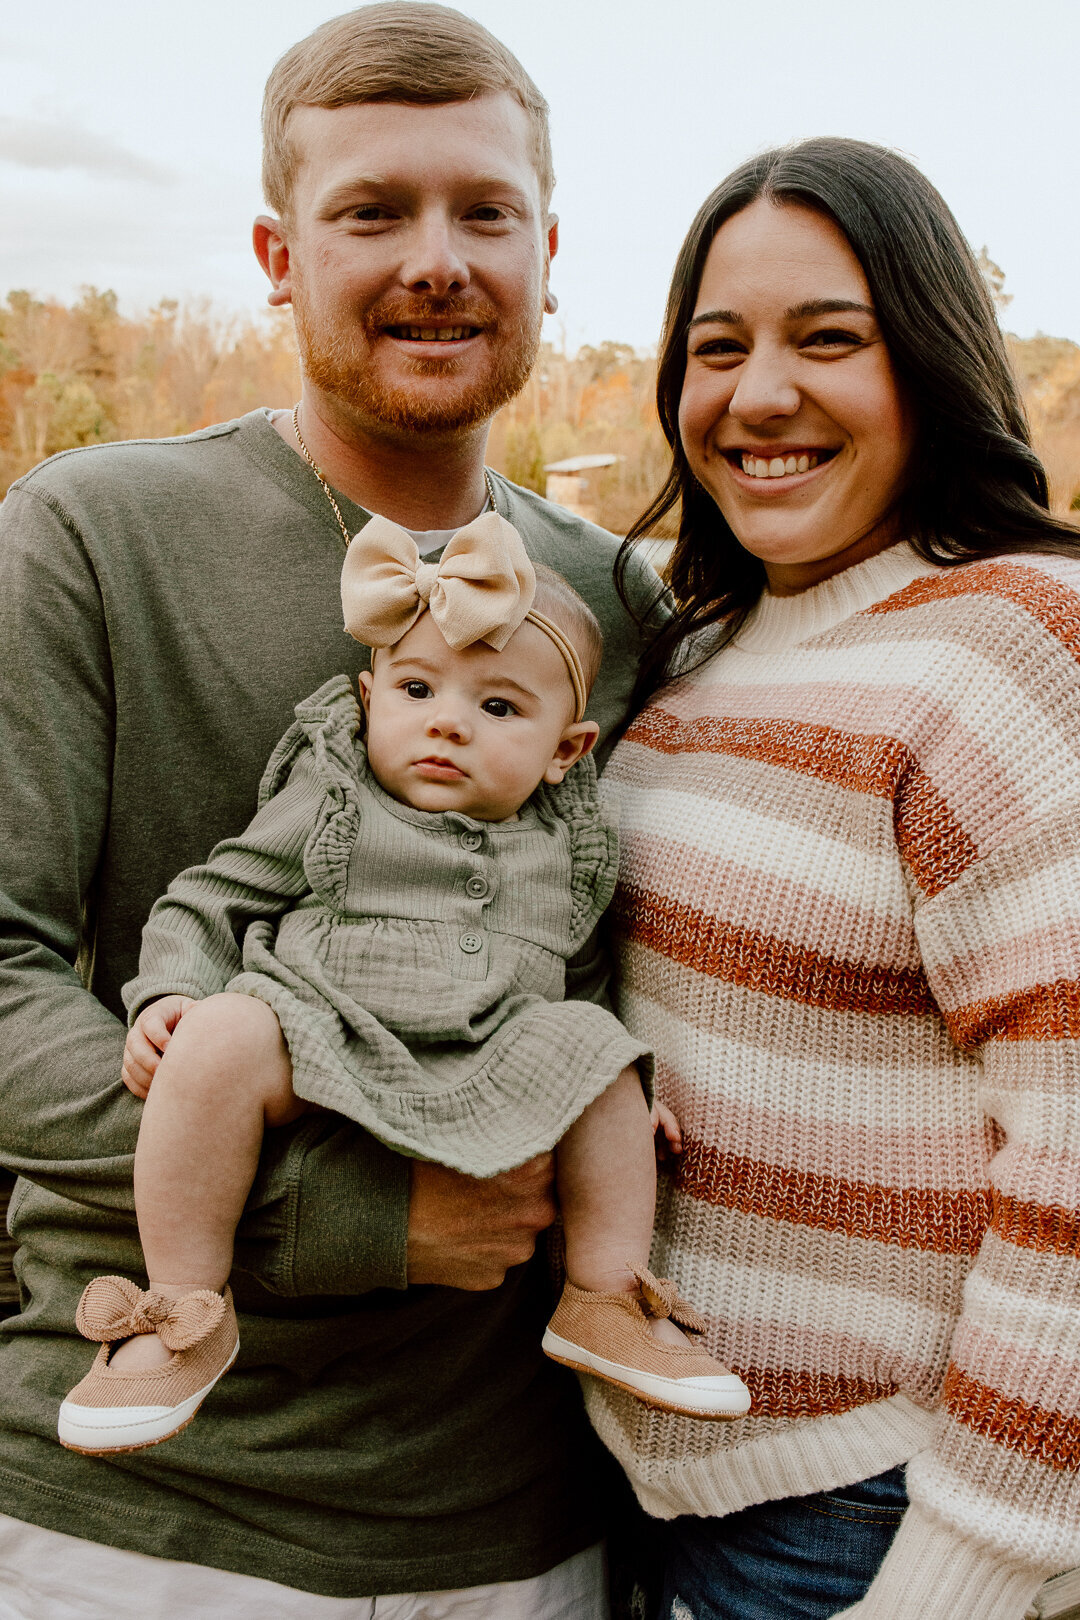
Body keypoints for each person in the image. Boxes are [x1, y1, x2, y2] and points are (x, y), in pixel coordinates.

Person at [0, 6, 666, 1615]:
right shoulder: (90, 535)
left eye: (483, 210)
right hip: (148, 1519)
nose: (436, 258)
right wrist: (354, 1211)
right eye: (372, 211)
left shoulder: (620, 604)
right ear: (278, 251)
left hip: (527, 1528)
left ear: (549, 250)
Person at [590, 137, 1080, 1620]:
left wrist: (971, 1568)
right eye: (716, 348)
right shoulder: (703, 643)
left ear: (928, 359)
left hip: (869, 1518)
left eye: (830, 339)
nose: (760, 396)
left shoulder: (1012, 644)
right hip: (660, 1488)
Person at [57, 531, 747, 1454]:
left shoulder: (569, 840)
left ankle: (607, 1298)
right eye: (417, 690)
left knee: (602, 1053)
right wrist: (168, 995)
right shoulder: (337, 790)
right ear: (369, 696)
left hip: (497, 1044)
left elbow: (584, 973)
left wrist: (619, 1095)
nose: (448, 723)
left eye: (499, 705)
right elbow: (211, 895)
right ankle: (180, 1307)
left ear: (565, 750)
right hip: (320, 1019)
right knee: (220, 1038)